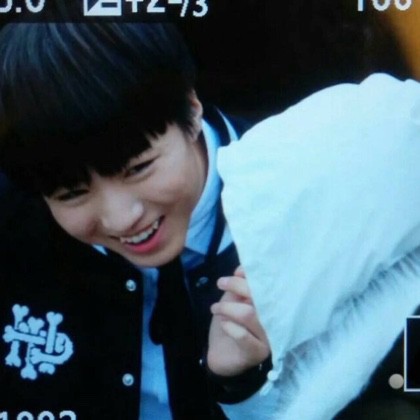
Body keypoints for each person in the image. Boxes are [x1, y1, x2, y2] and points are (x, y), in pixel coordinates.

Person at [0, 22, 273, 419]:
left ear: (191, 111)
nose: (121, 219)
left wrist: (242, 383)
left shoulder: (307, 197)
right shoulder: (13, 219)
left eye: (139, 168)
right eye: (72, 194)